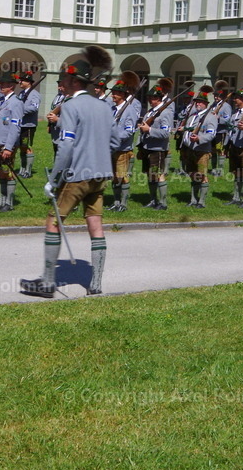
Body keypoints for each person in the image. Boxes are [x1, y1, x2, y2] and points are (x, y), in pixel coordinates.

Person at [21, 45, 113, 298]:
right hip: (101, 175)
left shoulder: (71, 107)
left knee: (53, 221)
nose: (62, 82)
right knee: (95, 225)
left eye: (64, 79)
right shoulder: (104, 107)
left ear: (73, 81)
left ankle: (48, 282)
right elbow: (116, 140)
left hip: (77, 175)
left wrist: (54, 179)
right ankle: (95, 284)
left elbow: (66, 146)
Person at [0, 66, 24, 211]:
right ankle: (1, 202)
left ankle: (9, 203)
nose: (2, 86)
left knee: (8, 172)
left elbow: (15, 127)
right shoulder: (0, 101)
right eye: (1, 84)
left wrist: (9, 147)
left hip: (7, 143)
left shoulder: (16, 102)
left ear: (12, 86)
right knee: (0, 172)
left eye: (5, 84)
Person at [137, 78, 174, 210]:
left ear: (159, 99)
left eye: (152, 98)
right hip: (147, 146)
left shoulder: (166, 113)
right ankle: (153, 200)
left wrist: (150, 130)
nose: (149, 100)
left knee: (158, 175)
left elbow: (166, 133)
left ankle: (163, 203)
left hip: (157, 148)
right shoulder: (150, 112)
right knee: (150, 174)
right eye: (149, 97)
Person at [107, 71, 140, 211]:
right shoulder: (112, 109)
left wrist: (113, 137)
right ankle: (116, 202)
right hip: (112, 148)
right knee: (114, 177)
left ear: (122, 95)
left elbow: (129, 131)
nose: (113, 95)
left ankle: (124, 204)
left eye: (115, 93)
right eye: (113, 92)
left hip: (123, 149)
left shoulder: (130, 110)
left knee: (122, 177)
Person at [179, 87, 218, 208]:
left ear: (206, 104)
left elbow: (211, 134)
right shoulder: (192, 116)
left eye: (201, 102)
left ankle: (201, 201)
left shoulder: (210, 117)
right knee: (192, 174)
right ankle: (193, 199)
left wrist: (199, 139)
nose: (198, 104)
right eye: (196, 101)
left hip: (202, 150)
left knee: (202, 175)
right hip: (189, 149)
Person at [17, 69, 42, 178]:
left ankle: (28, 170)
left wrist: (20, 110)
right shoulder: (21, 93)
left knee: (27, 146)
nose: (20, 82)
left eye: (22, 80)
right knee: (21, 147)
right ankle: (22, 169)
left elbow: (34, 108)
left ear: (28, 82)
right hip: (20, 124)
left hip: (28, 126)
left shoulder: (34, 94)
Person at [209, 80, 232, 177]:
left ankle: (220, 170)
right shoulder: (213, 105)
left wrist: (218, 118)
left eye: (217, 96)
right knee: (213, 151)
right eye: (215, 95)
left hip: (221, 131)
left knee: (220, 151)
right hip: (213, 131)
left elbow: (227, 119)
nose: (215, 97)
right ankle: (214, 169)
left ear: (222, 97)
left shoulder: (226, 106)